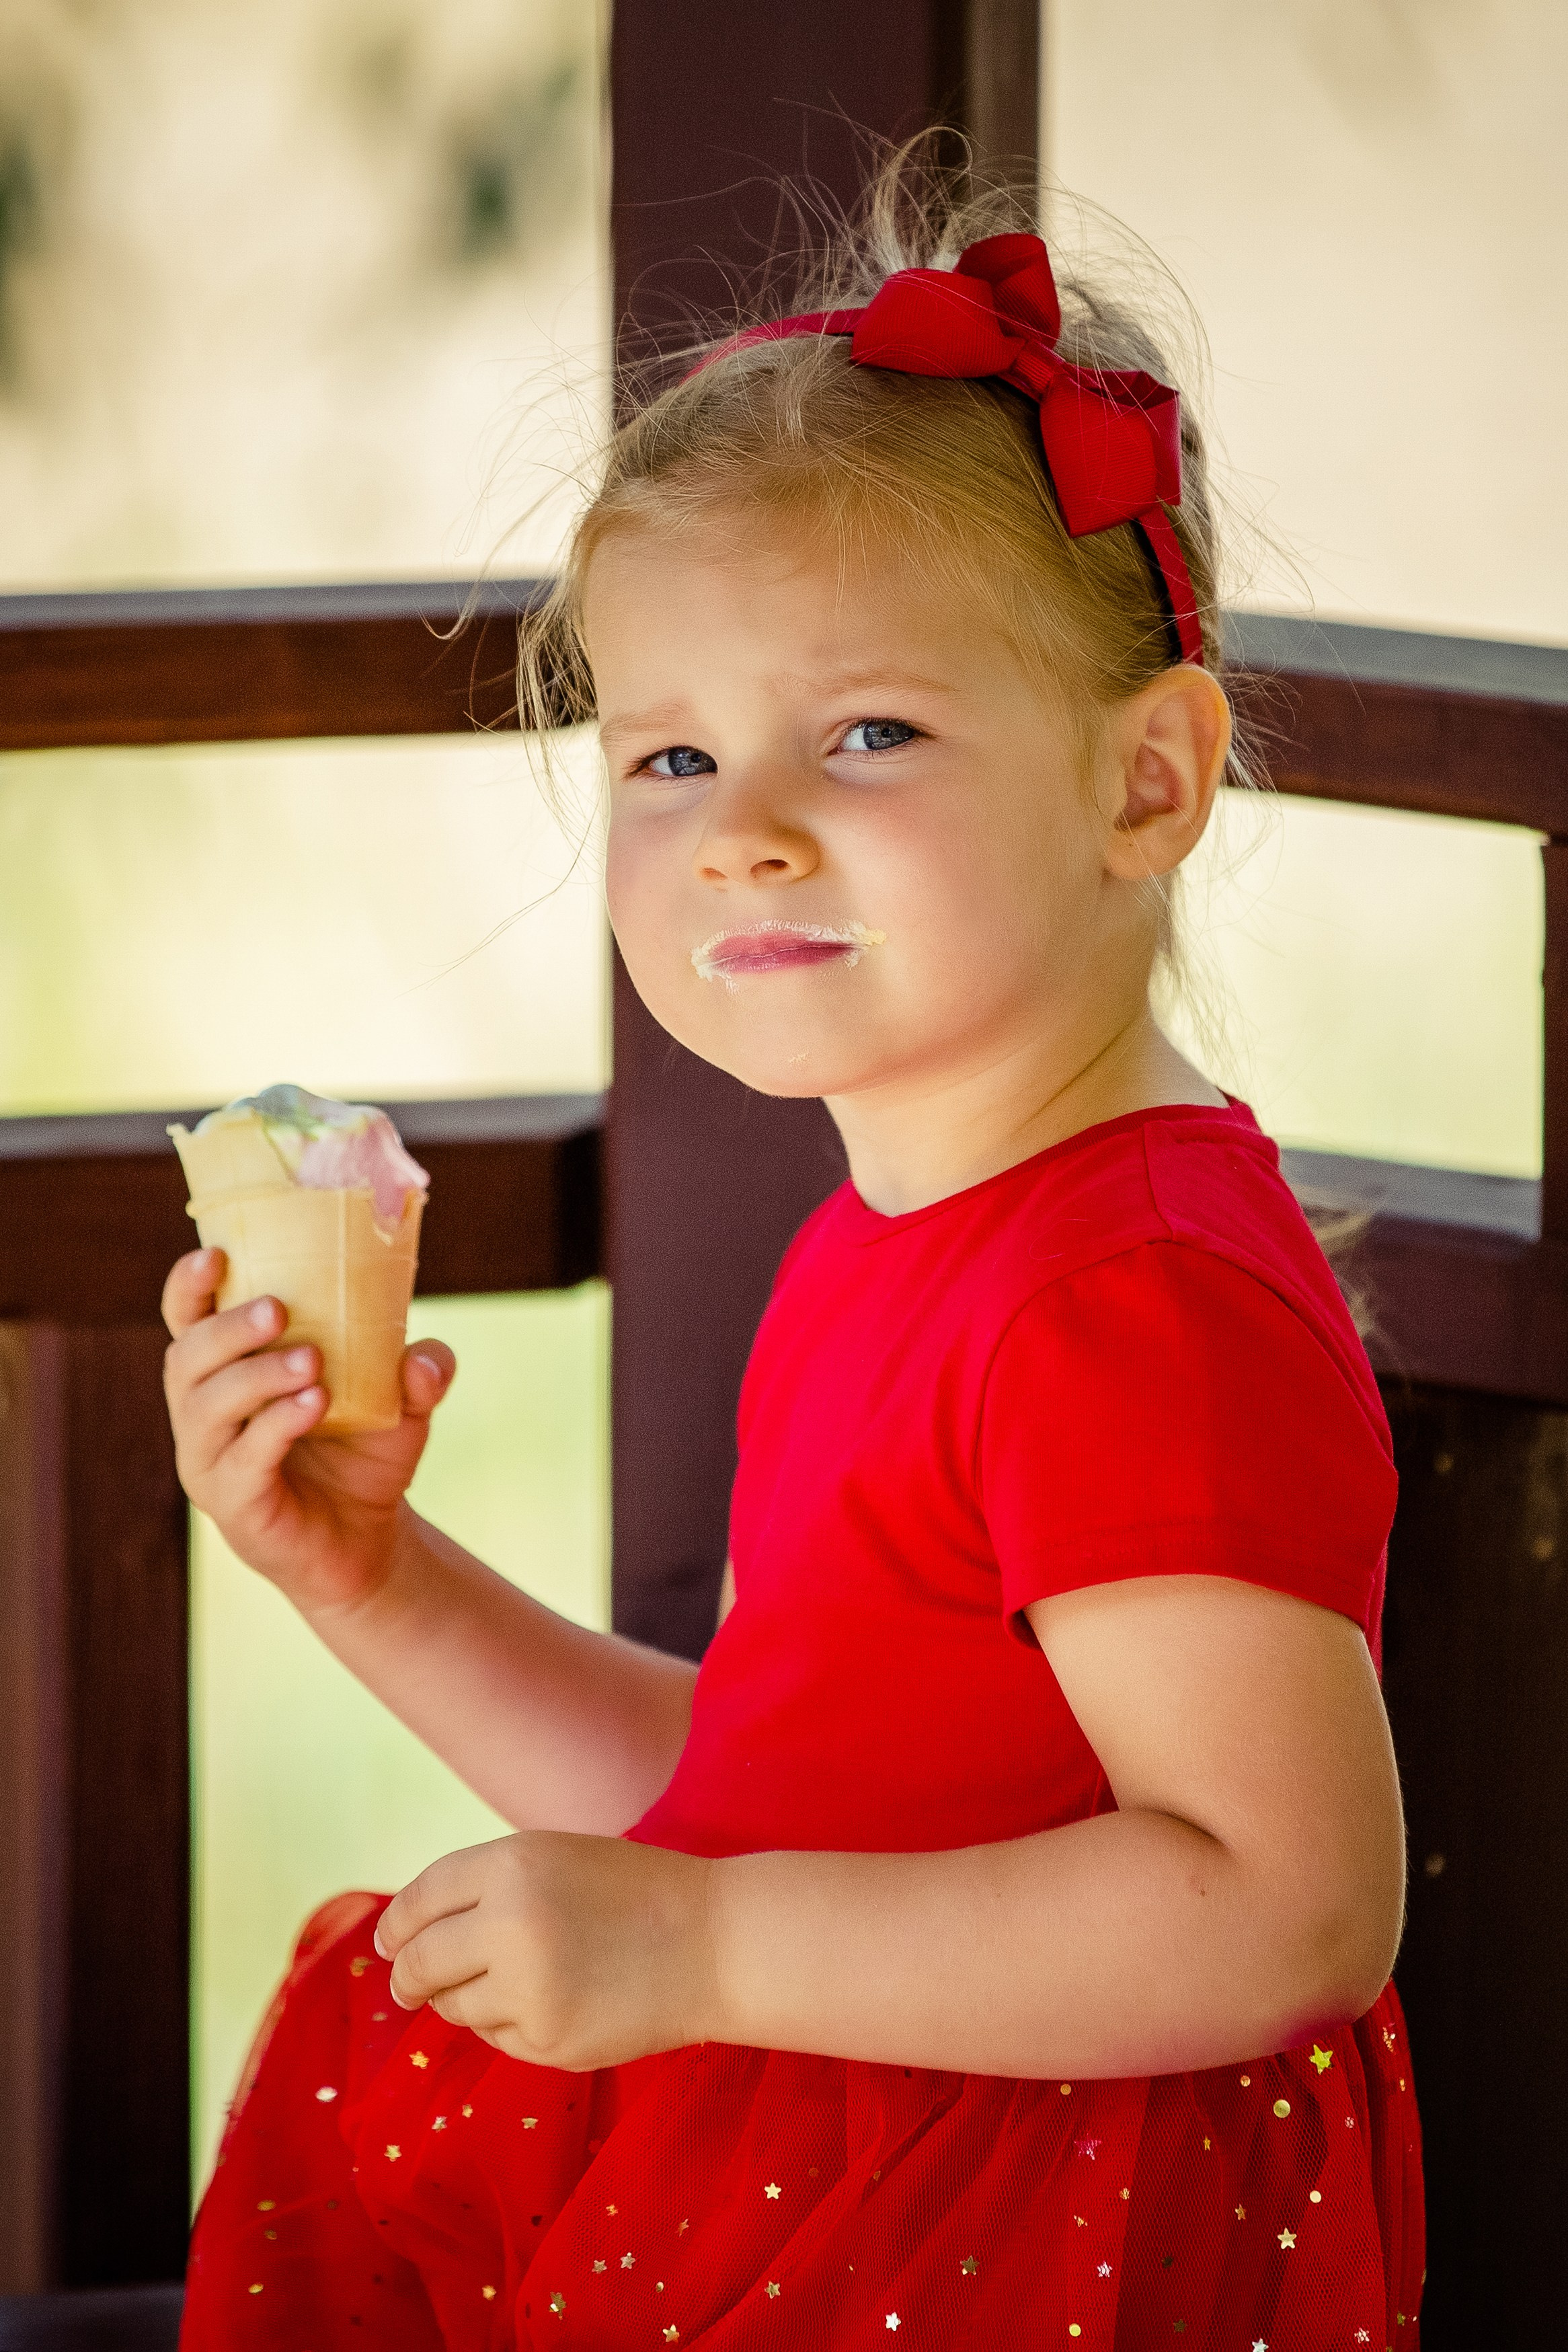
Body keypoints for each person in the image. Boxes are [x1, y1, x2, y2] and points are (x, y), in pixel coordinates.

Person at [163, 148, 1423, 2351]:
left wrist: (706, 1957)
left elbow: (1284, 1906)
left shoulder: (1122, 1293)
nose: (741, 822)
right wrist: (366, 1573)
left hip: (1002, 2241)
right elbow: (760, 1795)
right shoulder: (901, 1221)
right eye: (667, 750)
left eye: (868, 733)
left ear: (1146, 781)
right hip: (841, 2153)